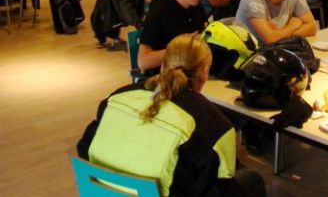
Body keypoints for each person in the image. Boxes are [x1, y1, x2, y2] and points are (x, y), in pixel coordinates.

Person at [80, 33, 266, 196]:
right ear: (204, 74)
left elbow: (84, 148)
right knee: (250, 180)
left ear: (163, 65)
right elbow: (220, 187)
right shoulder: (215, 125)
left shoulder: (116, 97)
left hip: (100, 192)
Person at [138, 0, 208, 74]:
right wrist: (181, 49)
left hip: (191, 73)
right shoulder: (159, 13)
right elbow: (143, 62)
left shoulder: (196, 7)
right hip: (165, 77)